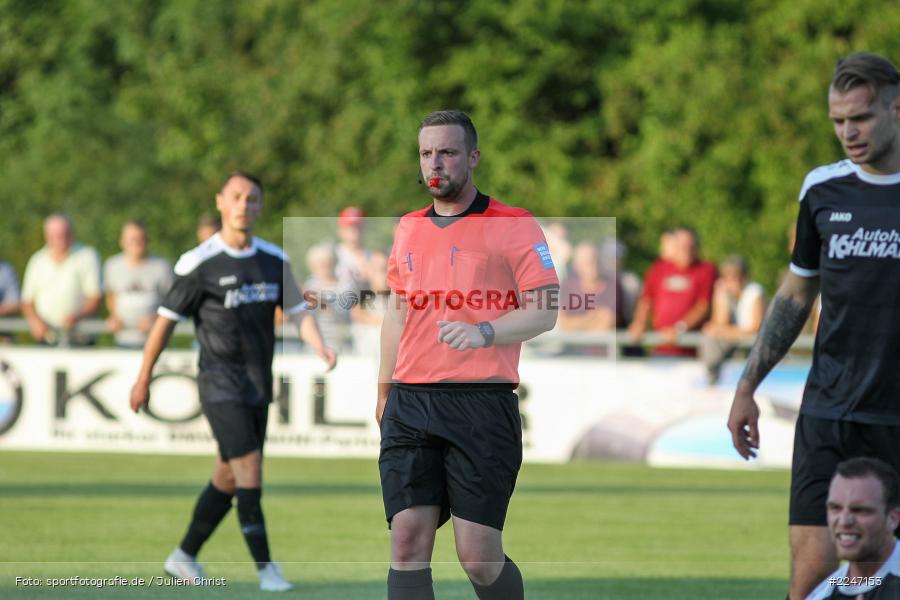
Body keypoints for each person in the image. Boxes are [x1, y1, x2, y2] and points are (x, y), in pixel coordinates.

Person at [727, 52, 900, 600]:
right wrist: (747, 385)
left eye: (862, 118)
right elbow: (797, 291)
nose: (848, 132)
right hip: (829, 411)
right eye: (838, 120)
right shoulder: (821, 190)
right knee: (811, 577)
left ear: (896, 109)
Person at [377, 110, 559, 600]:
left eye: (448, 152)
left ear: (473, 157)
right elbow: (396, 313)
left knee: (477, 556)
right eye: (426, 153)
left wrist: (484, 330)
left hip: (482, 404)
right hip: (410, 403)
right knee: (407, 539)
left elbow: (545, 311)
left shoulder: (514, 224)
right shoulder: (408, 227)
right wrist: (384, 388)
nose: (435, 163)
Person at [129, 171, 336, 591]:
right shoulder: (197, 262)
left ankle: (183, 556)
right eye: (237, 196)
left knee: (227, 475)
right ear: (221, 202)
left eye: (253, 198)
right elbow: (164, 325)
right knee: (250, 468)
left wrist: (319, 346)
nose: (245, 204)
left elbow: (297, 310)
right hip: (219, 384)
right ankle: (267, 571)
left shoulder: (274, 260)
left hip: (259, 385)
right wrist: (143, 377)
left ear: (260, 206)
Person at [807, 458, 900, 599]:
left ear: (893, 519)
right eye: (835, 508)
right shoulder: (822, 595)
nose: (844, 521)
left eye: (859, 510)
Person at [627, 226, 716, 356]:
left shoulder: (706, 270)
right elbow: (646, 300)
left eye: (690, 246)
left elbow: (703, 306)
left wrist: (679, 328)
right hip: (661, 349)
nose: (686, 251)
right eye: (682, 246)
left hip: (693, 352)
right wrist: (639, 323)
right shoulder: (659, 268)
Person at [21, 214, 102, 345]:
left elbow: (95, 297)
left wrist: (77, 317)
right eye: (56, 234)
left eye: (65, 233)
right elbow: (27, 301)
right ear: (47, 236)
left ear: (71, 233)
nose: (61, 238)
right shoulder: (37, 260)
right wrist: (35, 321)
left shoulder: (87, 256)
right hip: (47, 338)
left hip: (79, 338)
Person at [104, 220, 174, 348]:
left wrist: (155, 318)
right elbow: (111, 294)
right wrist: (114, 315)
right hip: (123, 339)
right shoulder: (112, 266)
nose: (137, 243)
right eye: (132, 239)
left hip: (155, 340)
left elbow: (172, 301)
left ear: (148, 240)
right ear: (122, 242)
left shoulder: (162, 266)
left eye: (141, 238)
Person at [699, 255, 765, 384]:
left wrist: (725, 332)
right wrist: (722, 298)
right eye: (727, 278)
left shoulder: (755, 292)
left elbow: (757, 329)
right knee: (709, 337)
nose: (731, 282)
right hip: (739, 351)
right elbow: (720, 323)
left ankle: (712, 374)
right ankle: (712, 373)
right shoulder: (727, 294)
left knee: (711, 336)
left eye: (735, 277)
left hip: (754, 353)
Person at [558, 241, 621, 332]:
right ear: (576, 265)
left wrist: (577, 323)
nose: (593, 264)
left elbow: (608, 322)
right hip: (573, 345)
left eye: (596, 259)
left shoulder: (613, 286)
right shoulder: (568, 286)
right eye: (588, 262)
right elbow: (564, 324)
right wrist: (591, 318)